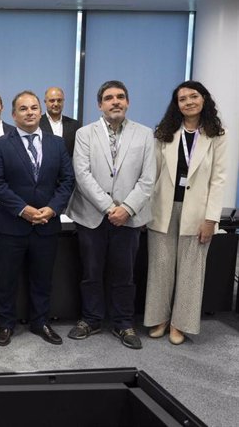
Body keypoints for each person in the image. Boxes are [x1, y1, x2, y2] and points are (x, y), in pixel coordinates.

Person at [66, 80, 155, 350]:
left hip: (129, 217)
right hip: (92, 215)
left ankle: (123, 322)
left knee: (124, 274)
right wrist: (108, 207)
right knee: (91, 272)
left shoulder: (145, 134)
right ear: (99, 104)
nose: (115, 101)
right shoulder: (84, 133)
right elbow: (82, 174)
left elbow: (149, 178)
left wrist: (126, 209)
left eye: (120, 97)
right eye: (108, 98)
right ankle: (91, 319)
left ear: (127, 102)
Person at [0, 91, 74, 347]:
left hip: (46, 224)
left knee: (43, 278)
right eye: (23, 109)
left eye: (34, 108)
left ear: (40, 111)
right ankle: (5, 324)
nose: (30, 112)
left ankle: (41, 322)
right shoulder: (0, 145)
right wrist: (23, 209)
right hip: (12, 225)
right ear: (14, 115)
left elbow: (67, 180)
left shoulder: (56, 144)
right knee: (6, 279)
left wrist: (53, 208)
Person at [144, 81, 227, 345]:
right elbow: (152, 175)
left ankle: (180, 324)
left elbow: (219, 179)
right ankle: (159, 318)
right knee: (160, 267)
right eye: (182, 99)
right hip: (163, 209)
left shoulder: (218, 135)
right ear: (176, 105)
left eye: (193, 96)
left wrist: (211, 219)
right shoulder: (164, 133)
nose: (188, 102)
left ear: (204, 99)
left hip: (197, 213)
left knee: (191, 271)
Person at [39, 87, 79, 156]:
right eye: (52, 100)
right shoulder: (36, 124)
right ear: (45, 102)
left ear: (63, 101)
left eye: (59, 100)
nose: (56, 104)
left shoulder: (75, 125)